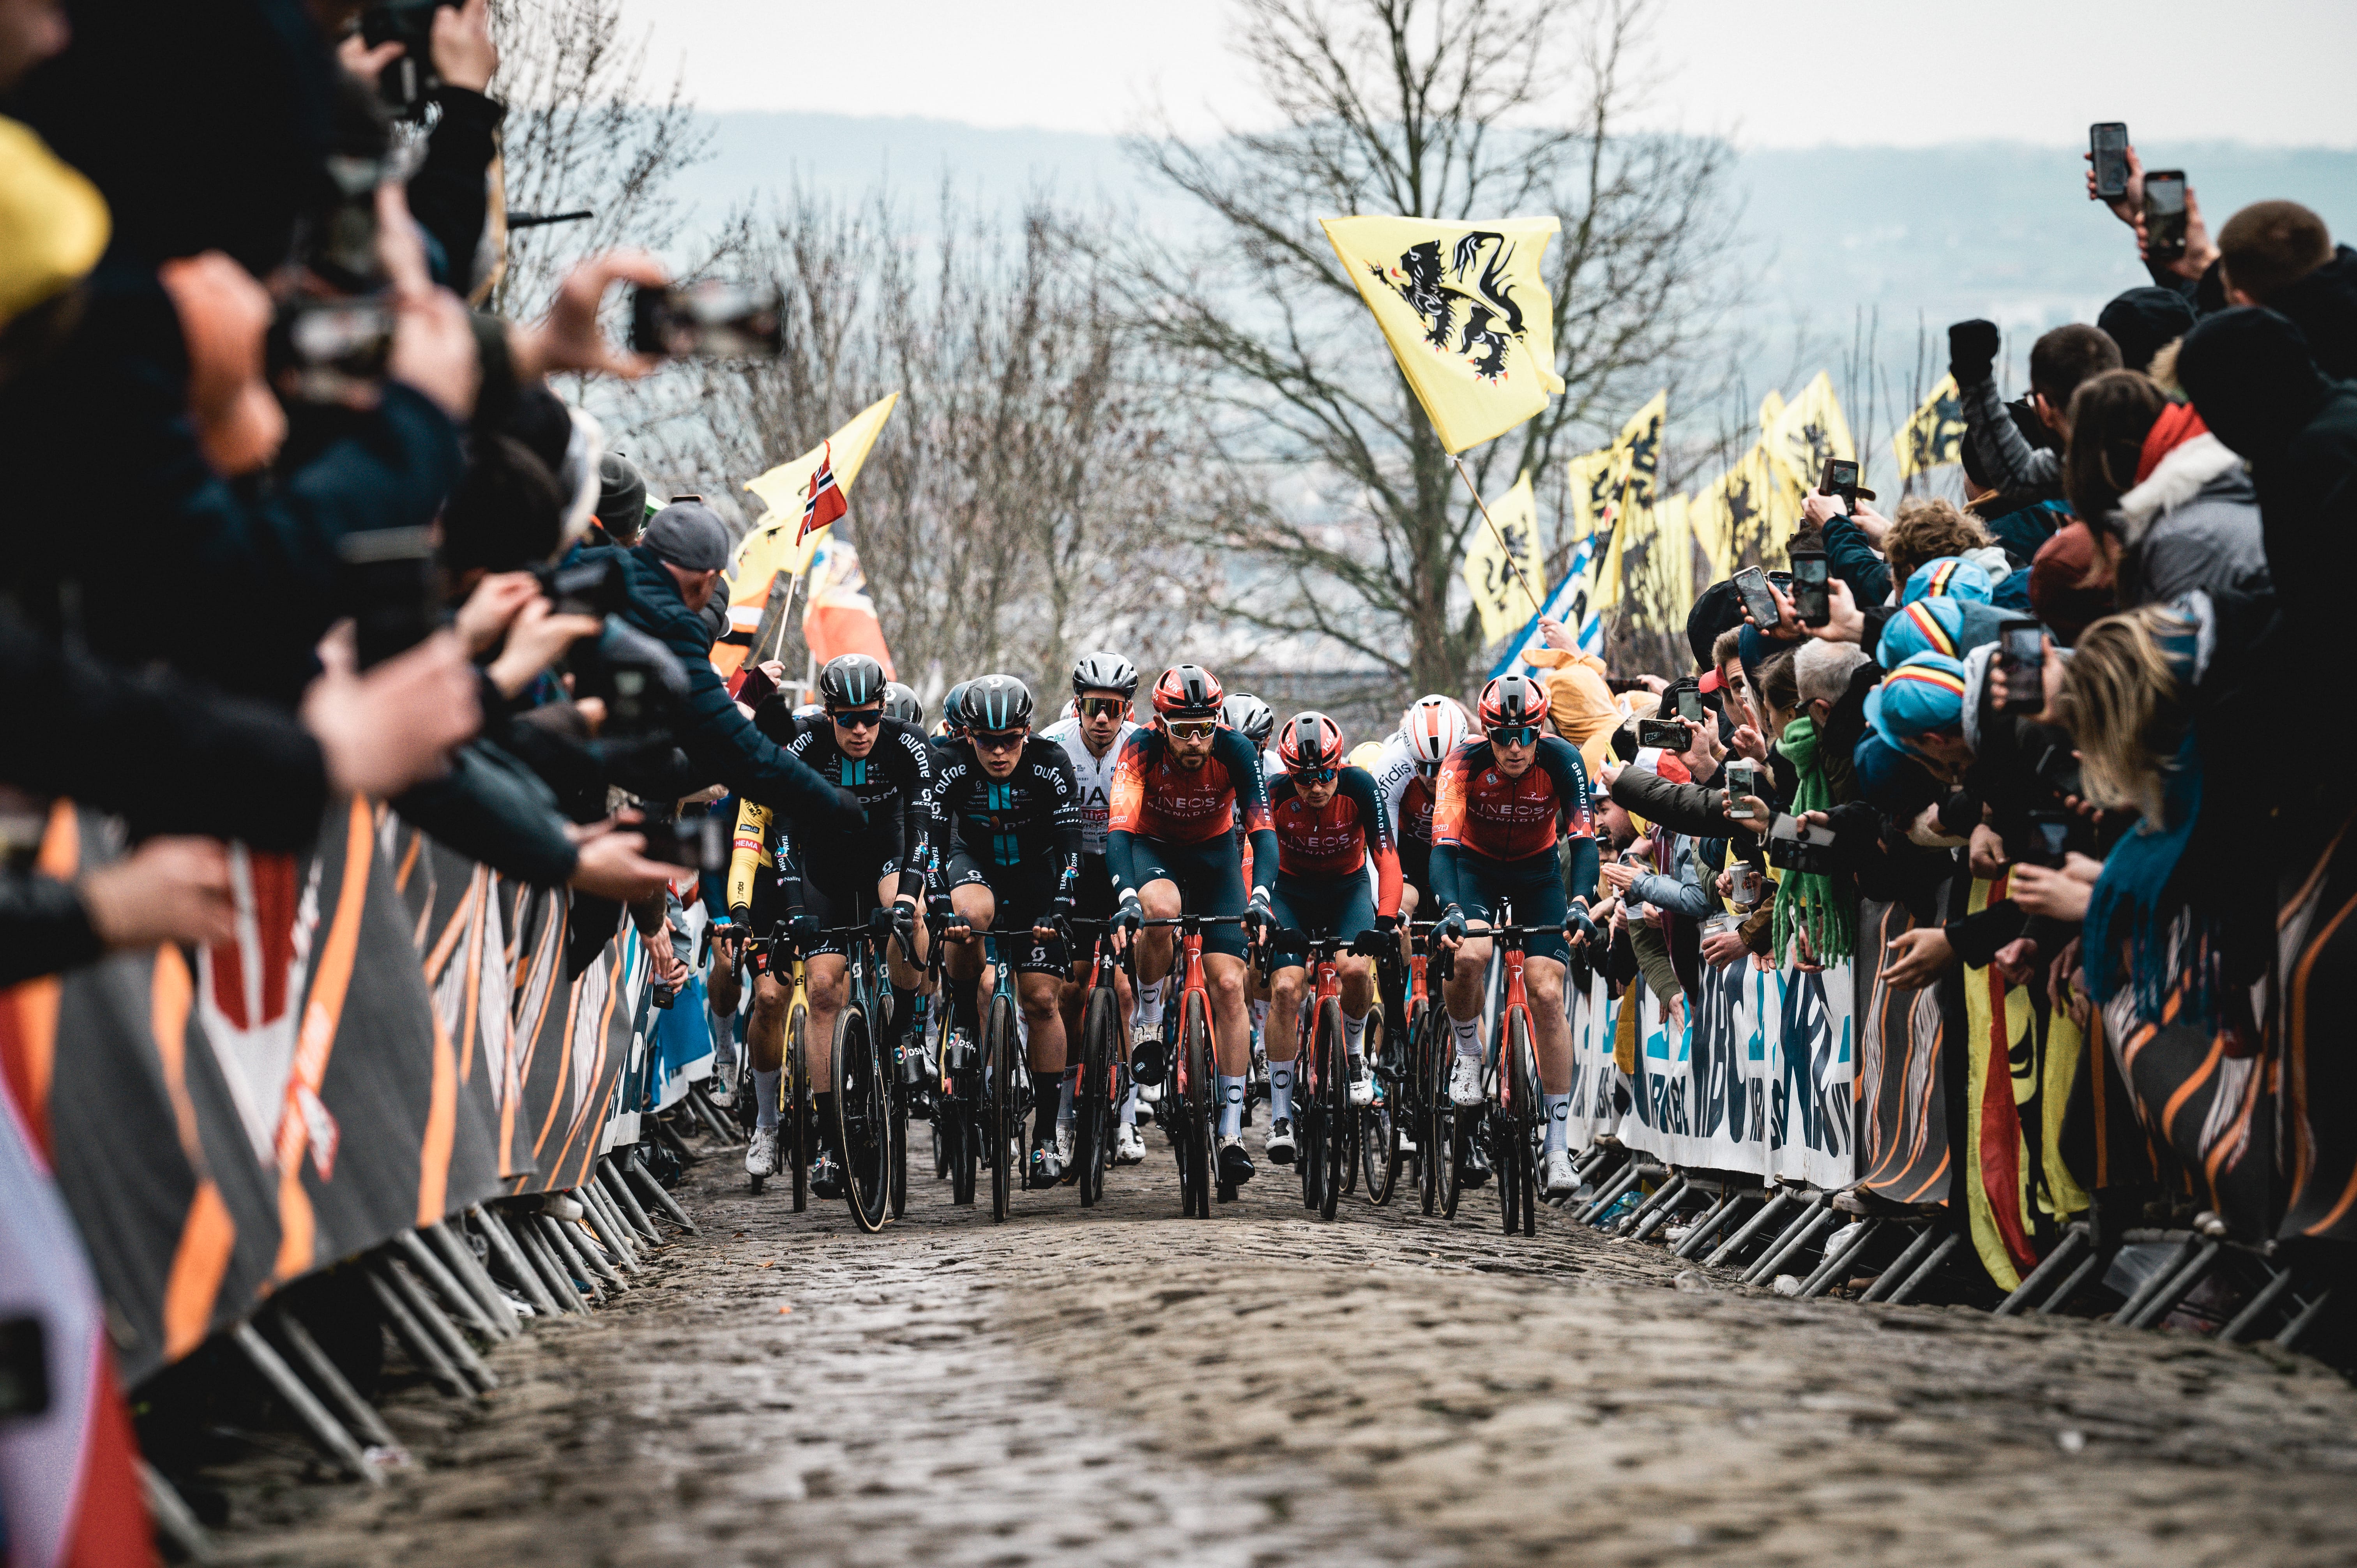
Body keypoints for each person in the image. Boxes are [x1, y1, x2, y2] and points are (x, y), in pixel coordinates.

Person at [741, 654, 935, 1196]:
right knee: (824, 989)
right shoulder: (802, 742)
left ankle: (904, 1033)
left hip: (886, 856)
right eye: (847, 719)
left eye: (870, 717)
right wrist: (795, 911)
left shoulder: (908, 742)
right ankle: (831, 1139)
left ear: (882, 709)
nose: (860, 730)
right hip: (823, 867)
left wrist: (908, 898)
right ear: (828, 714)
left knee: (911, 914)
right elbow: (783, 834)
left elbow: (922, 831)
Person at [1429, 673, 1601, 1199]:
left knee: (1548, 993)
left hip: (1538, 873)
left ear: (1540, 730)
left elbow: (1584, 840)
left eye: (1526, 735)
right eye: (1503, 737)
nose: (1514, 748)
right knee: (1470, 955)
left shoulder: (1563, 760)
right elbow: (1443, 847)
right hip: (1476, 869)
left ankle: (1557, 1146)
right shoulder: (1462, 762)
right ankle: (1468, 1052)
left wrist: (1580, 901)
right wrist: (1451, 908)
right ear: (1487, 733)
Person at [1107, 663, 1276, 1189]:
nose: (1197, 741)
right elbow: (1119, 832)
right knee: (1159, 908)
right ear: (1161, 725)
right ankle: (1150, 1020)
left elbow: (1263, 833)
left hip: (1214, 859)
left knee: (1228, 985)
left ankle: (1230, 1132)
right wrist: (1127, 897)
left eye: (1206, 727)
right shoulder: (1139, 749)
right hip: (1153, 849)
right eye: (1184, 731)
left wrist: (1262, 897)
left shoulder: (1236, 751)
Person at [928, 675, 1083, 1186]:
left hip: (1037, 874)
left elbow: (1071, 851)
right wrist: (938, 903)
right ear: (967, 735)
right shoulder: (948, 763)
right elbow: (930, 846)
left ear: (1028, 732)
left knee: (1041, 1000)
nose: (998, 752)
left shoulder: (1051, 763)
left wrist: (1059, 907)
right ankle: (964, 1024)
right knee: (969, 918)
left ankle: (1045, 1136)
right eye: (986, 741)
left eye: (1010, 740)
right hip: (974, 864)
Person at [1259, 712, 1400, 1167]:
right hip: (1291, 892)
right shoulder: (1275, 792)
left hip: (1346, 890)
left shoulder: (1360, 786)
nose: (1316, 787)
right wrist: (1262, 911)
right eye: (1304, 779)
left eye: (1324, 775)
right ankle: (1281, 1115)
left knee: (1356, 969)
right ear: (1289, 773)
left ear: (1339, 765)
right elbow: (1252, 854)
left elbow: (1387, 856)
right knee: (1286, 988)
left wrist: (1384, 921)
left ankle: (1355, 1053)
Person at [1039, 650, 1147, 1164]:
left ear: (1128, 710)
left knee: (1124, 992)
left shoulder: (1142, 745)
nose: (1102, 719)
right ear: (1076, 704)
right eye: (1092, 707)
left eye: (1114, 708)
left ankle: (1127, 1118)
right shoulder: (1052, 743)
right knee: (1071, 990)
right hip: (1073, 869)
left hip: (1127, 866)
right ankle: (1064, 1113)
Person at [1946, 320, 2122, 503]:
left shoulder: (2082, 469)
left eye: (2031, 398)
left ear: (2044, 407)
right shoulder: (2129, 450)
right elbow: (2020, 474)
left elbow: (2018, 476)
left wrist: (1974, 377)